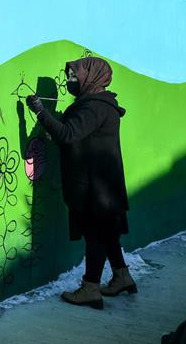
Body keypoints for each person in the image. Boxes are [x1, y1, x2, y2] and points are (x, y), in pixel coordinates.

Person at [26, 56, 136, 310]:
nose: (69, 81)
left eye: (74, 77)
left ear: (91, 77)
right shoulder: (100, 105)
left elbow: (68, 135)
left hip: (95, 189)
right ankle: (122, 276)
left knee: (96, 235)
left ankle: (90, 288)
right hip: (104, 186)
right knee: (108, 234)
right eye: (69, 77)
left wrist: (40, 112)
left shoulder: (93, 108)